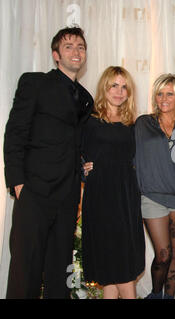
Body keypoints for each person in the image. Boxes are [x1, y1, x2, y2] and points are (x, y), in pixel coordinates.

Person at [3, 27, 93, 299]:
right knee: (25, 269)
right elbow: (15, 132)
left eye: (80, 46)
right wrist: (17, 183)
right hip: (34, 191)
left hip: (67, 196)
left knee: (60, 270)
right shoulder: (35, 82)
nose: (76, 51)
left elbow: (76, 142)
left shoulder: (86, 98)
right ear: (56, 55)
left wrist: (82, 174)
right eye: (68, 47)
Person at [81, 66, 145, 299]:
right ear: (104, 88)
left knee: (124, 263)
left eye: (124, 86)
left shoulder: (133, 123)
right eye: (114, 85)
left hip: (126, 195)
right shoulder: (89, 121)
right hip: (100, 195)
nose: (119, 91)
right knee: (108, 267)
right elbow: (71, 151)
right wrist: (82, 169)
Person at [134, 73, 175, 299]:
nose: (164, 98)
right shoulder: (143, 123)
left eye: (170, 93)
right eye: (159, 93)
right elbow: (123, 150)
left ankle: (169, 298)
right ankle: (155, 294)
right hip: (152, 196)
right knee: (163, 254)